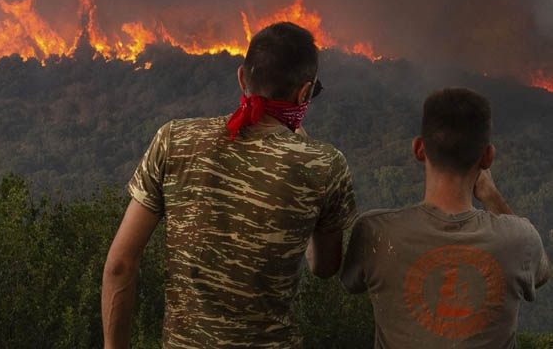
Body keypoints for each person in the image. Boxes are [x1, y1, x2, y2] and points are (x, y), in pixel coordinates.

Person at [101, 22, 357, 348]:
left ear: (241, 78)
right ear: (304, 93)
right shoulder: (324, 164)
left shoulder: (174, 140)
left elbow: (120, 265)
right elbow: (323, 267)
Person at [341, 88, 551, 348]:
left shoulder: (375, 232)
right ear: (488, 157)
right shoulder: (520, 238)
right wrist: (491, 195)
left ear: (418, 149)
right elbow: (541, 273)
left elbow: (350, 283)